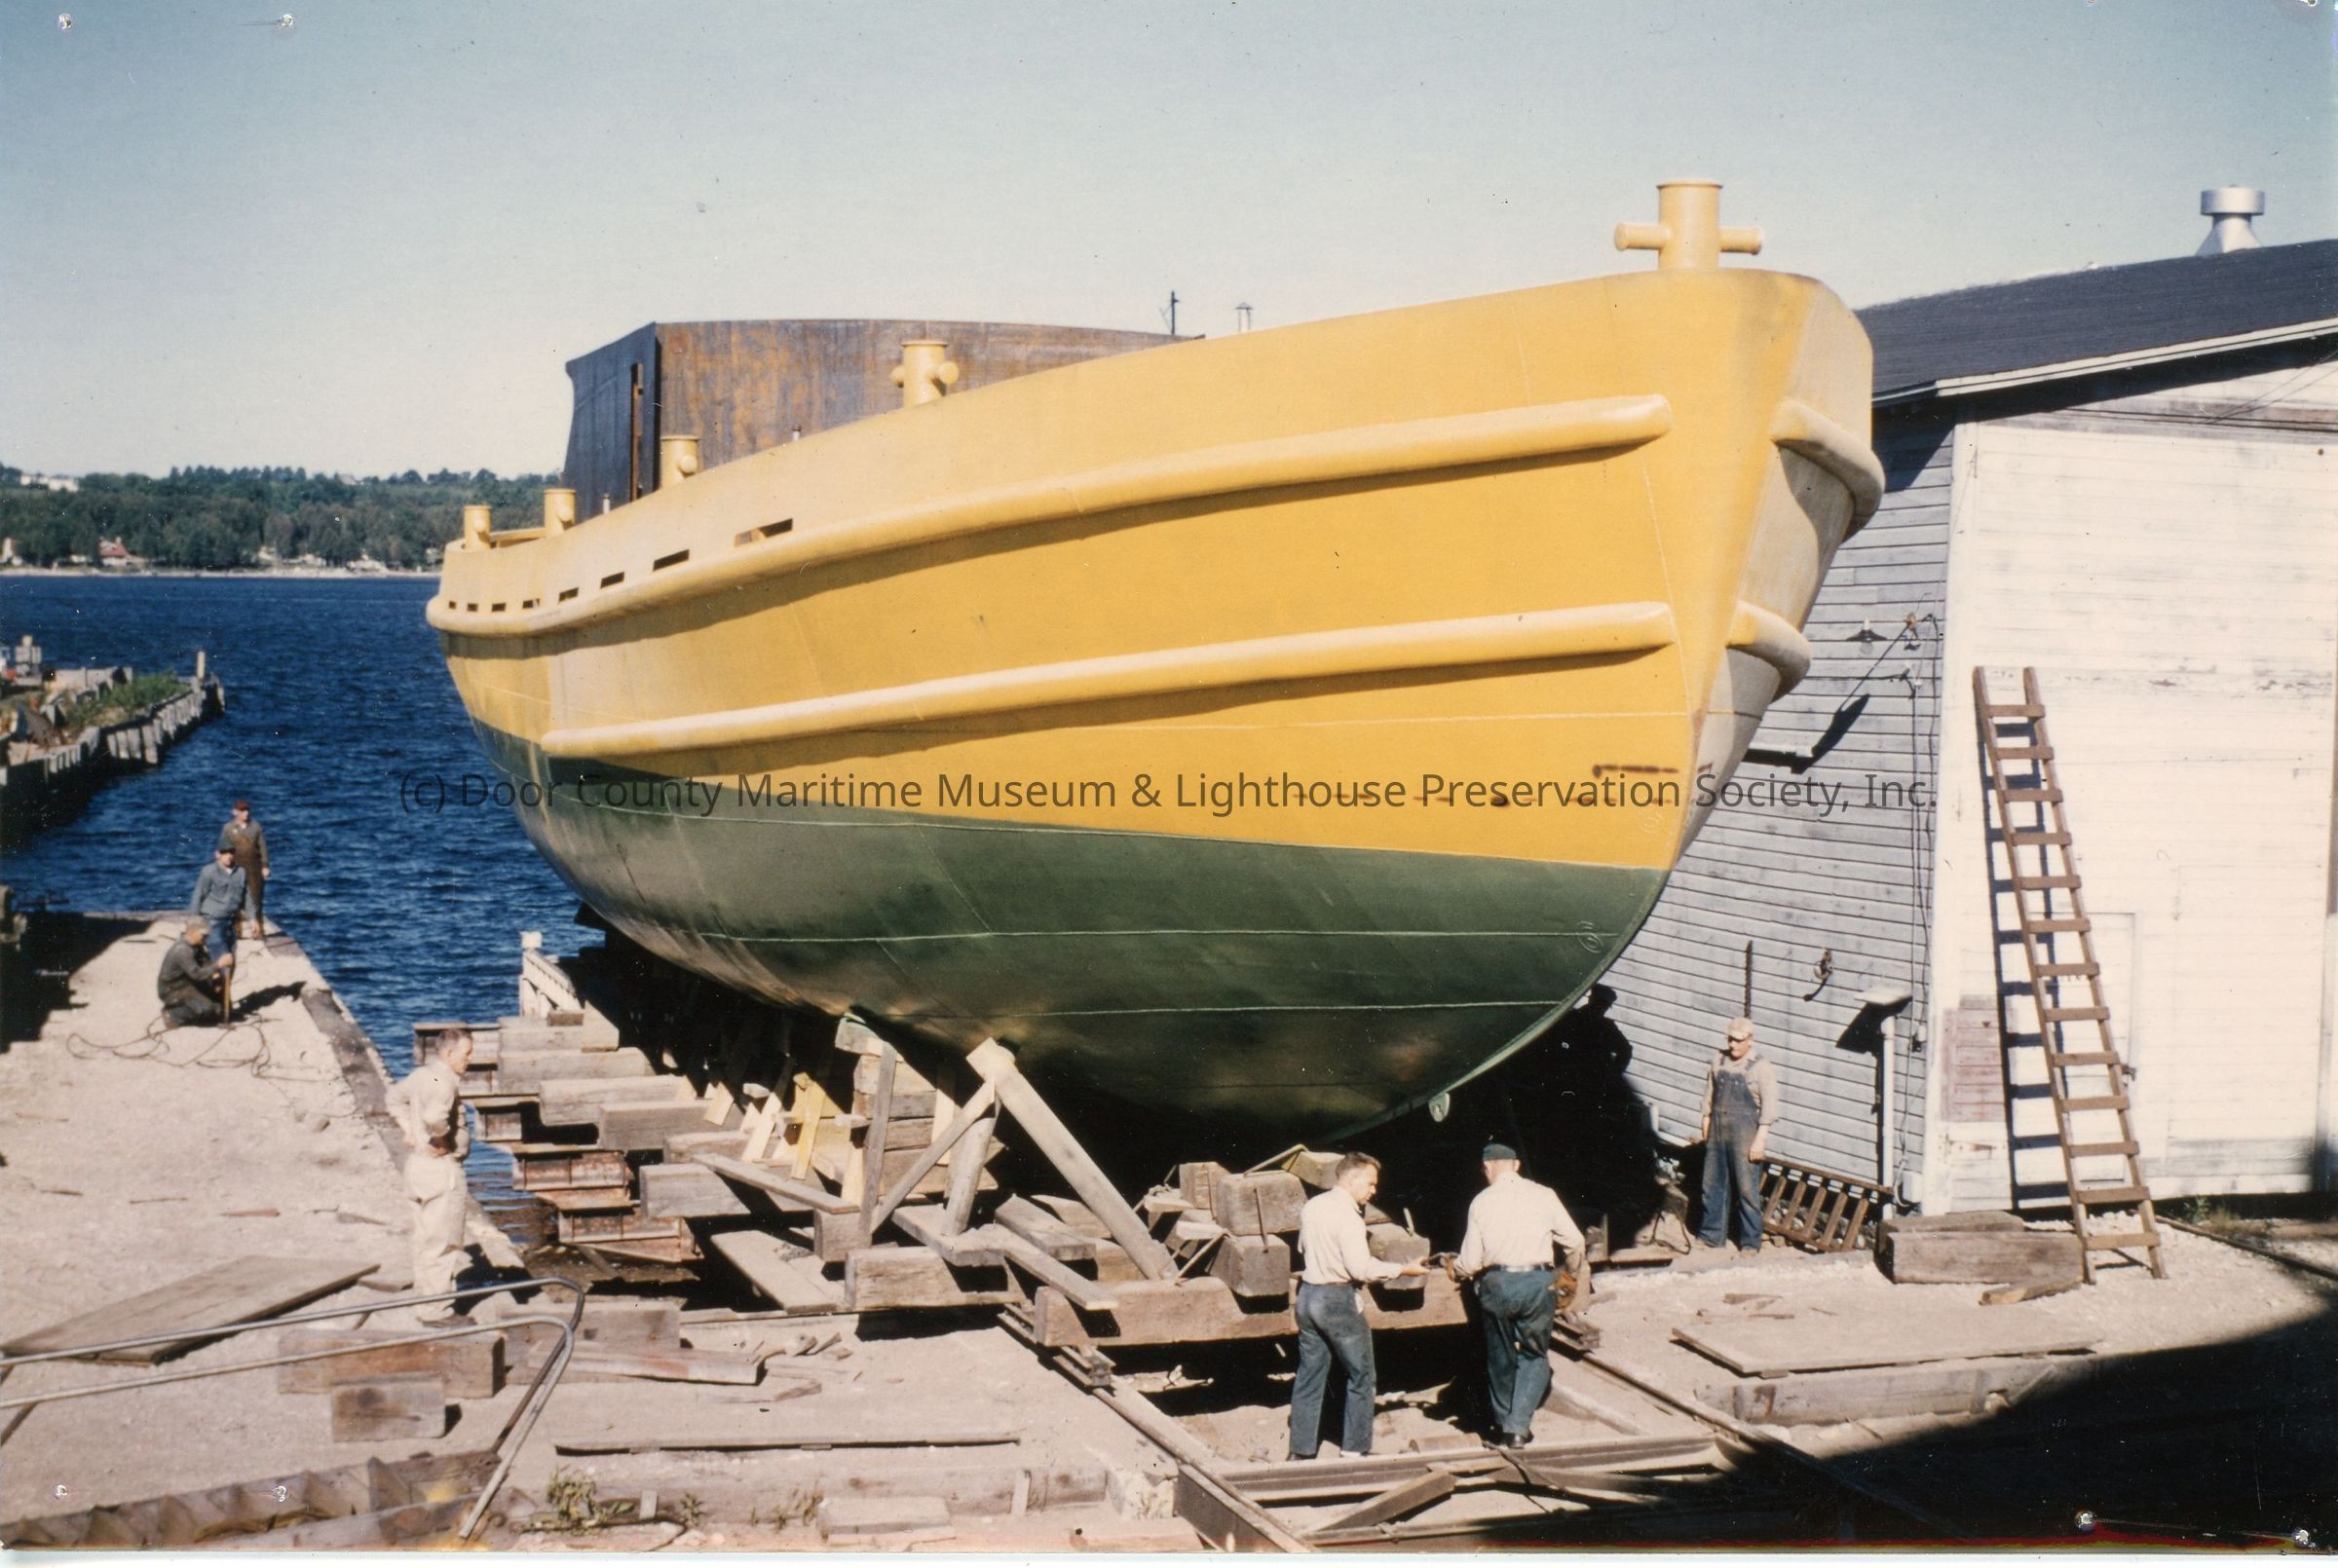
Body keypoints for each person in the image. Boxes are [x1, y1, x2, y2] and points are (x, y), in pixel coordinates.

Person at [1289, 1151, 1429, 1460]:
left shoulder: (1313, 1206)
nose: (1374, 1191)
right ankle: (1354, 1450)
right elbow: (1360, 1268)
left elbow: (1302, 1248)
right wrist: (1403, 1269)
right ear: (1352, 1179)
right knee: (1362, 1376)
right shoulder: (1349, 1217)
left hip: (1308, 1295)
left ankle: (1299, 1451)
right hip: (1336, 1300)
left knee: (1310, 1376)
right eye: (1370, 1183)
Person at [1451, 1141, 1587, 1448]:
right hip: (1537, 1283)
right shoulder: (1545, 1195)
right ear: (1516, 1166)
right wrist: (1570, 1275)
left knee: (1499, 1356)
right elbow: (1575, 1242)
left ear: (1487, 1168)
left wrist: (1454, 1270)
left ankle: (1502, 1424)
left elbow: (1470, 1263)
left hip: (1498, 1284)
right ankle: (1518, 1428)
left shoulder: (1481, 1202)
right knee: (1534, 1354)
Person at [388, 1028, 475, 1323]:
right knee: (442, 1243)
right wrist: (440, 1138)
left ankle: (425, 1301)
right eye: (466, 1054)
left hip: (417, 1167)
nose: (470, 1059)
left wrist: (409, 1130)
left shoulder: (423, 1075)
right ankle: (436, 1311)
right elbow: (434, 1118)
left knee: (425, 1240)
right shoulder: (445, 1083)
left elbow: (393, 1098)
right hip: (440, 1170)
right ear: (448, 1053)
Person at [1697, 1015, 1780, 1254]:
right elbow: (1708, 1098)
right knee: (1712, 1185)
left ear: (1750, 1040)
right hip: (1717, 1131)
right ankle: (1711, 1236)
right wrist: (1706, 1127)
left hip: (1745, 1134)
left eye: (1738, 1040)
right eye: (1730, 1039)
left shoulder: (1761, 1067)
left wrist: (1760, 1140)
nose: (1732, 1044)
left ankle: (1750, 1242)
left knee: (1746, 1189)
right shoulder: (1718, 1061)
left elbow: (1769, 1108)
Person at [155, 918, 231, 1026]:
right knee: (206, 1009)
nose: (206, 938)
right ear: (192, 931)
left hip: (187, 983)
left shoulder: (196, 945)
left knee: (217, 1007)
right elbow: (197, 975)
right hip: (172, 989)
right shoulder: (182, 949)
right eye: (203, 935)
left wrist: (215, 974)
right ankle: (172, 1014)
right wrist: (219, 964)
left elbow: (205, 961)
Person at [217, 800, 270, 939]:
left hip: (254, 867)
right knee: (234, 899)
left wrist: (265, 866)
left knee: (256, 899)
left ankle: (258, 931)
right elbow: (222, 848)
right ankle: (236, 931)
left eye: (247, 810)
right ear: (235, 812)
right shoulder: (228, 828)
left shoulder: (255, 826)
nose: (246, 813)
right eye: (242, 811)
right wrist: (222, 867)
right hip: (235, 867)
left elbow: (263, 847)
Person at [187, 844, 247, 959]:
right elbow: (198, 895)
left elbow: (247, 896)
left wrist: (253, 918)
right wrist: (193, 922)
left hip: (231, 922)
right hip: (212, 920)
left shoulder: (241, 872)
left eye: (231, 853)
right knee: (221, 957)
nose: (229, 856)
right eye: (225, 853)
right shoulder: (209, 871)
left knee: (231, 957)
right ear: (217, 854)